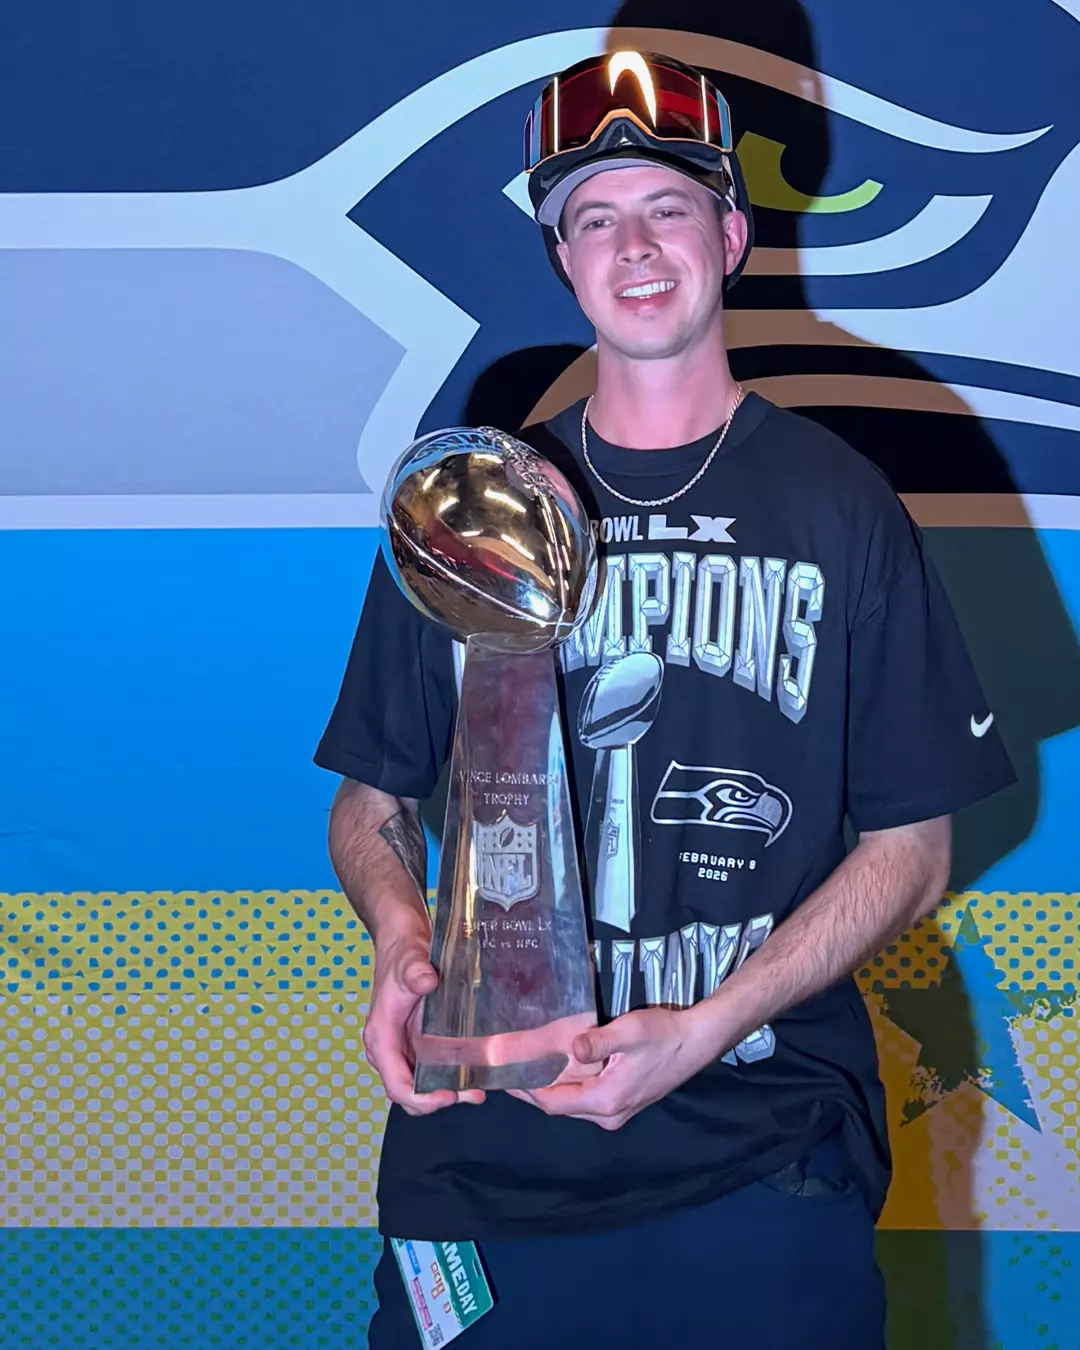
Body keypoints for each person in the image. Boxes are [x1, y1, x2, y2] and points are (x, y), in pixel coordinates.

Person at [314, 51, 1016, 1349]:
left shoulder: (841, 504)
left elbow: (915, 850)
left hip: (762, 1154)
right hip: (482, 1166)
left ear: (733, 234)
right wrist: (403, 937)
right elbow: (369, 803)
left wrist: (703, 1029)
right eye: (594, 217)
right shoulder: (470, 508)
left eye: (669, 207)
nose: (633, 247)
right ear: (563, 261)